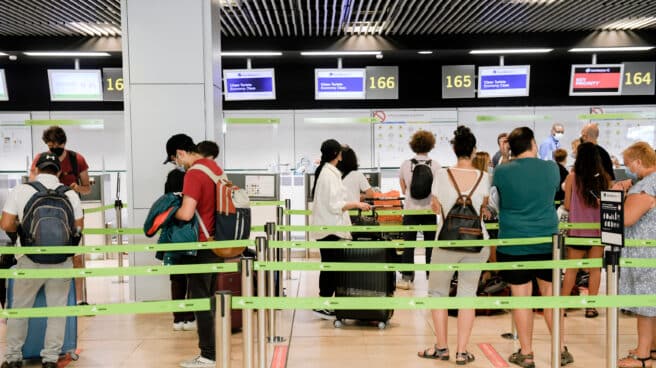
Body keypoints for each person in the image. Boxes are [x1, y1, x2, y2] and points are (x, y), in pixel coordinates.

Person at [492, 127, 574, 368]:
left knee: (521, 299)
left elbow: (499, 197)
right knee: (550, 296)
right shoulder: (550, 168)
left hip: (514, 242)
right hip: (547, 242)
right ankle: (560, 350)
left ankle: (526, 353)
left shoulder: (502, 170)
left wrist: (505, 155)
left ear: (510, 147)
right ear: (533, 144)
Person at [1, 153, 84, 368]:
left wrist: (19, 232)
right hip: (61, 262)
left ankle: (12, 358)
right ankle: (50, 359)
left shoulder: (21, 190)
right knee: (56, 312)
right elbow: (78, 229)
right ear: (58, 172)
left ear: (36, 169)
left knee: (20, 311)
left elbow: (6, 223)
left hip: (29, 259)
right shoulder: (70, 194)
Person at [418, 126, 490, 365]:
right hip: (478, 242)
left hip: (446, 241)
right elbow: (483, 210)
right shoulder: (484, 176)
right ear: (474, 150)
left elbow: (436, 208)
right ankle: (461, 351)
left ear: (454, 149)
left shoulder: (441, 175)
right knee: (467, 294)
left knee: (437, 292)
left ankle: (441, 347)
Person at [166, 134, 224, 368]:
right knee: (208, 299)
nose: (177, 164)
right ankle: (212, 351)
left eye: (174, 160)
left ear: (180, 153)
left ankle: (208, 355)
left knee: (200, 300)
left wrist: (169, 213)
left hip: (200, 244)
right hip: (215, 242)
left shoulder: (194, 173)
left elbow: (188, 213)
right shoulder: (214, 168)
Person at [309, 139, 370, 320]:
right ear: (337, 154)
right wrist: (356, 203)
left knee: (330, 267)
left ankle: (327, 303)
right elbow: (335, 205)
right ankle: (324, 304)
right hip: (330, 229)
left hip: (330, 228)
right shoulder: (328, 175)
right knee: (330, 268)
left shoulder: (328, 173)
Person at [29, 126, 90, 305]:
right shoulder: (40, 159)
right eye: (50, 146)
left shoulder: (76, 159)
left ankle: (79, 299)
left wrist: (77, 188)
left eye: (57, 146)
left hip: (71, 212)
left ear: (64, 143)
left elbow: (87, 187)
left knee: (76, 256)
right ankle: (44, 300)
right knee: (43, 255)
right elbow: (32, 181)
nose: (54, 149)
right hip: (45, 212)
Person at [616, 142, 656, 368]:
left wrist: (614, 202)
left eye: (629, 163)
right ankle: (651, 348)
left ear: (639, 162)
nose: (627, 168)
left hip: (645, 254)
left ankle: (642, 357)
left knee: (645, 305)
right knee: (652, 304)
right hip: (650, 251)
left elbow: (627, 218)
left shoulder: (646, 186)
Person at [561, 143, 611, 320]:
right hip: (598, 232)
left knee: (571, 270)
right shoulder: (604, 178)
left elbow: (567, 205)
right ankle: (591, 307)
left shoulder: (572, 178)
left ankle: (562, 307)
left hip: (577, 231)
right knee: (595, 269)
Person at [398, 130, 441, 290]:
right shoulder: (436, 165)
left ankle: (407, 278)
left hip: (410, 211)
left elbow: (403, 189)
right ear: (431, 145)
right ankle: (432, 278)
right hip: (429, 211)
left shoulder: (405, 164)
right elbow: (438, 190)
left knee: (409, 244)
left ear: (413, 145)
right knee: (430, 245)